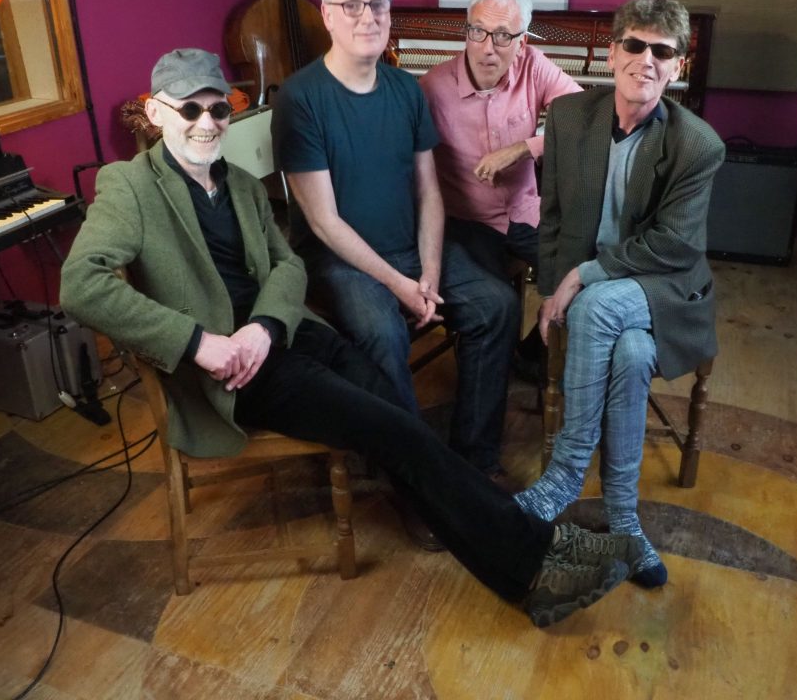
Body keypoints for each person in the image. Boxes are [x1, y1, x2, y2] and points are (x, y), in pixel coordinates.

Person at [59, 46, 646, 627]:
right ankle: (537, 563)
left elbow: (287, 266)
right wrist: (200, 343)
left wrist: (265, 326)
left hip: (280, 335)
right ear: (156, 113)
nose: (207, 124)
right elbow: (81, 287)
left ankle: (528, 545)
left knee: (403, 424)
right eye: (190, 111)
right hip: (230, 370)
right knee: (393, 429)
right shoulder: (128, 187)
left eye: (219, 110)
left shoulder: (235, 182)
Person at [272, 0, 520, 488]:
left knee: (496, 305)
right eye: (352, 5)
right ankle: (417, 484)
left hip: (411, 247)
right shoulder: (300, 99)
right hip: (340, 259)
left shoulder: (406, 89)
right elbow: (324, 223)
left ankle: (472, 461)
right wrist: (402, 286)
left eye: (378, 4)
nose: (368, 17)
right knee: (383, 333)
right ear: (328, 15)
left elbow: (429, 192)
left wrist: (428, 272)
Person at [514, 0, 725, 590]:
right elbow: (551, 217)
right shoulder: (570, 118)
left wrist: (581, 278)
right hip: (597, 296)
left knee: (603, 303)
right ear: (612, 54)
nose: (647, 60)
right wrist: (553, 286)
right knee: (630, 352)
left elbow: (675, 247)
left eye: (663, 51)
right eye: (635, 44)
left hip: (664, 289)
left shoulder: (697, 145)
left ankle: (564, 474)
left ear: (678, 65)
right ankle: (625, 518)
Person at [419, 0, 581, 374]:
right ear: (467, 30)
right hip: (467, 221)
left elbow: (583, 118)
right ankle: (494, 370)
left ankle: (530, 359)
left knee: (583, 276)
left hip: (525, 212)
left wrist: (523, 148)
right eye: (478, 31)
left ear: (521, 42)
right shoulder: (431, 88)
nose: (488, 47)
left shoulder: (534, 67)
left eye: (503, 35)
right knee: (492, 307)